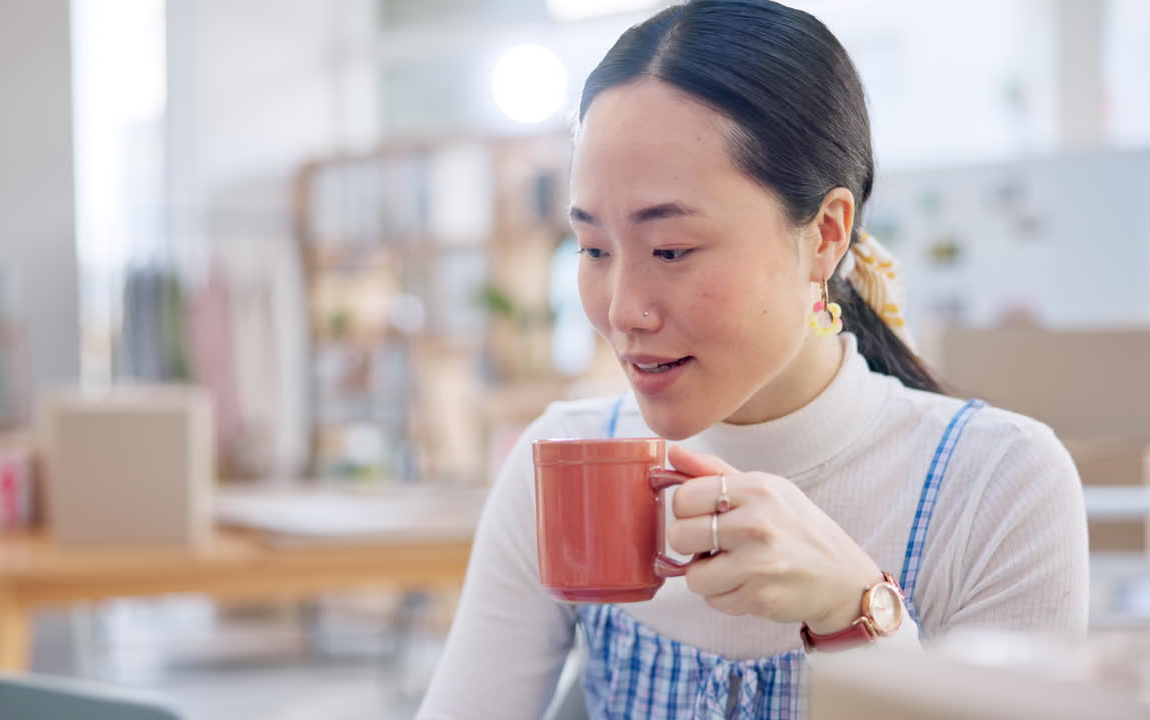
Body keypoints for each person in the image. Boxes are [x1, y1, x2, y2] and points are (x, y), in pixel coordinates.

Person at [416, 1, 1088, 718]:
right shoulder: (562, 468)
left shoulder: (996, 485)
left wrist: (857, 614)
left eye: (672, 250)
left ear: (826, 234)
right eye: (593, 250)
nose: (622, 310)